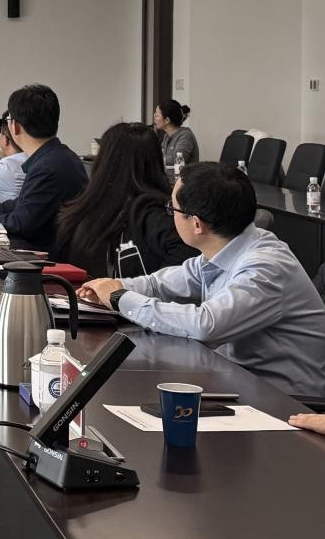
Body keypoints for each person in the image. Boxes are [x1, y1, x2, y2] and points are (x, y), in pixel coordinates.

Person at [79, 162, 325, 397]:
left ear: (196, 224)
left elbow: (206, 325)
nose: (170, 216)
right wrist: (112, 288)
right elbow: (159, 284)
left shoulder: (266, 268)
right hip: (238, 381)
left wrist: (119, 298)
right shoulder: (226, 248)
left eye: (172, 209)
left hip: (287, 402)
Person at [53, 122, 198, 278]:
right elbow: (186, 269)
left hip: (75, 291)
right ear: (155, 162)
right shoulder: (162, 217)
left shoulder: (79, 212)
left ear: (103, 162)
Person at [0, 84, 86, 252]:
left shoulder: (47, 167)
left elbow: (22, 223)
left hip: (48, 256)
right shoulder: (60, 156)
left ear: (15, 126)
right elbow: (23, 204)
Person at [154, 99, 199, 169]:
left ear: (167, 120)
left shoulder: (185, 135)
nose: (154, 116)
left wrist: (152, 159)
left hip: (185, 176)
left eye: (157, 115)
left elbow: (176, 160)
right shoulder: (166, 136)